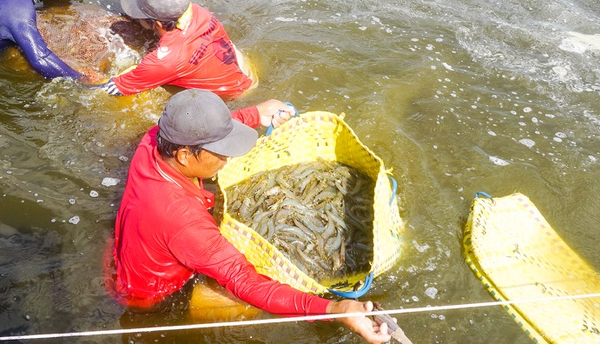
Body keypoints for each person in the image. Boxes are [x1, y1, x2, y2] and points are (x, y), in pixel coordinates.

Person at [109, 89, 391, 343]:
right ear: (184, 155)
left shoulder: (152, 142)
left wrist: (254, 114)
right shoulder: (183, 222)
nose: (228, 158)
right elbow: (246, 282)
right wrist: (334, 309)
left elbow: (199, 132)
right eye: (220, 152)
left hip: (125, 254)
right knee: (243, 304)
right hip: (154, 297)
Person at [94, 0, 254, 98]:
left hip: (230, 94)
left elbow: (114, 89)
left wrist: (80, 81)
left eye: (138, 16)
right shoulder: (198, 11)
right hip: (246, 72)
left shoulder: (163, 62)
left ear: (157, 24)